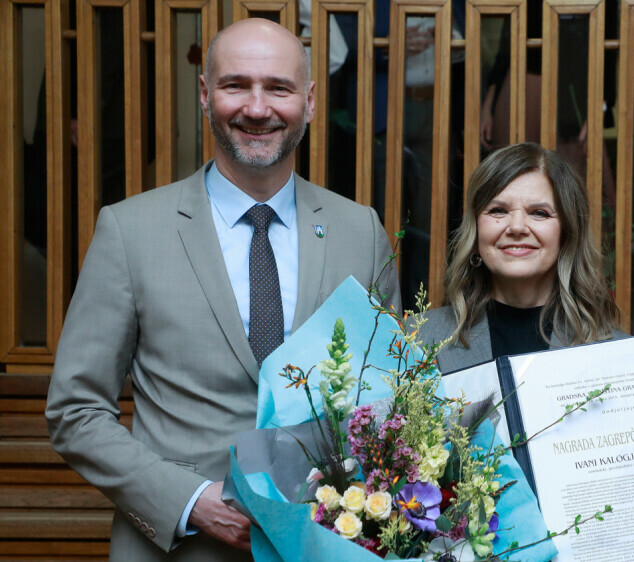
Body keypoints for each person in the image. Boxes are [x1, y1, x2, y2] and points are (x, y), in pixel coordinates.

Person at [45, 19, 400, 561]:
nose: (257, 108)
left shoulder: (361, 233)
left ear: (307, 102)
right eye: (236, 85)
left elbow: (386, 403)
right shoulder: (130, 231)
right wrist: (189, 500)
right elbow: (75, 411)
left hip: (323, 546)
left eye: (278, 88)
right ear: (206, 97)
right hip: (177, 549)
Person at [419, 142, 621, 373]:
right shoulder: (415, 341)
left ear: (568, 234)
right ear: (475, 234)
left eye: (539, 213)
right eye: (498, 210)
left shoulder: (617, 355)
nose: (516, 227)